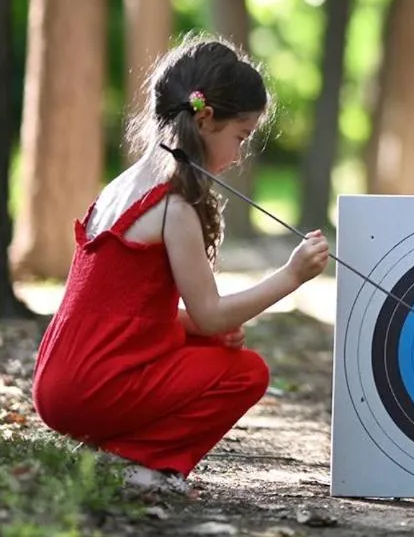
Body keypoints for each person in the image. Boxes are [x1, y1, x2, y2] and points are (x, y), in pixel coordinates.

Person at [32, 35, 330, 495]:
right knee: (245, 372)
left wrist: (196, 329)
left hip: (59, 379)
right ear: (206, 119)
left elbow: (123, 308)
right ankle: (134, 463)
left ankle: (108, 449)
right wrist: (291, 275)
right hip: (91, 385)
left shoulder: (122, 186)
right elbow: (212, 311)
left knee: (215, 351)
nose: (238, 155)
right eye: (241, 137)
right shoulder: (173, 206)